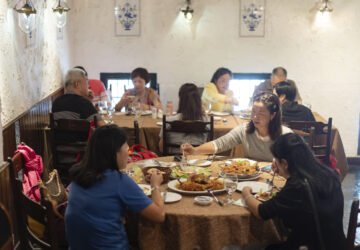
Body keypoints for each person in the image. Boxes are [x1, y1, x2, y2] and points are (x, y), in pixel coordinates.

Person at [65, 125, 165, 249]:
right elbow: (159, 215)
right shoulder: (119, 181)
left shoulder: (78, 174)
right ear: (114, 152)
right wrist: (155, 185)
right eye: (126, 147)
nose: (128, 153)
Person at [241, 133, 346, 250]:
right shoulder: (330, 173)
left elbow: (261, 212)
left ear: (285, 163)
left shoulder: (297, 187)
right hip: (337, 244)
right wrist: (285, 171)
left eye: (276, 160)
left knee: (244, 248)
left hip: (308, 247)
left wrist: (246, 193)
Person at [182, 92, 292, 162]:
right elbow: (220, 144)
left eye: (261, 113)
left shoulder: (286, 135)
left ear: (273, 115)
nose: (255, 117)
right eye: (253, 111)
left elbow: (296, 164)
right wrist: (195, 150)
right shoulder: (244, 130)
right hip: (249, 177)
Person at [52, 68, 105, 143]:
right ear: (77, 84)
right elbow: (102, 126)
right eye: (86, 82)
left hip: (60, 150)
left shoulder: (56, 102)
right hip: (82, 151)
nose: (88, 86)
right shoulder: (84, 103)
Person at [159, 83, 209, 154]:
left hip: (173, 160)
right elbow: (208, 145)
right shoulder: (205, 121)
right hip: (198, 160)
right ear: (198, 100)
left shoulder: (169, 121)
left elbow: (161, 148)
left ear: (180, 99)